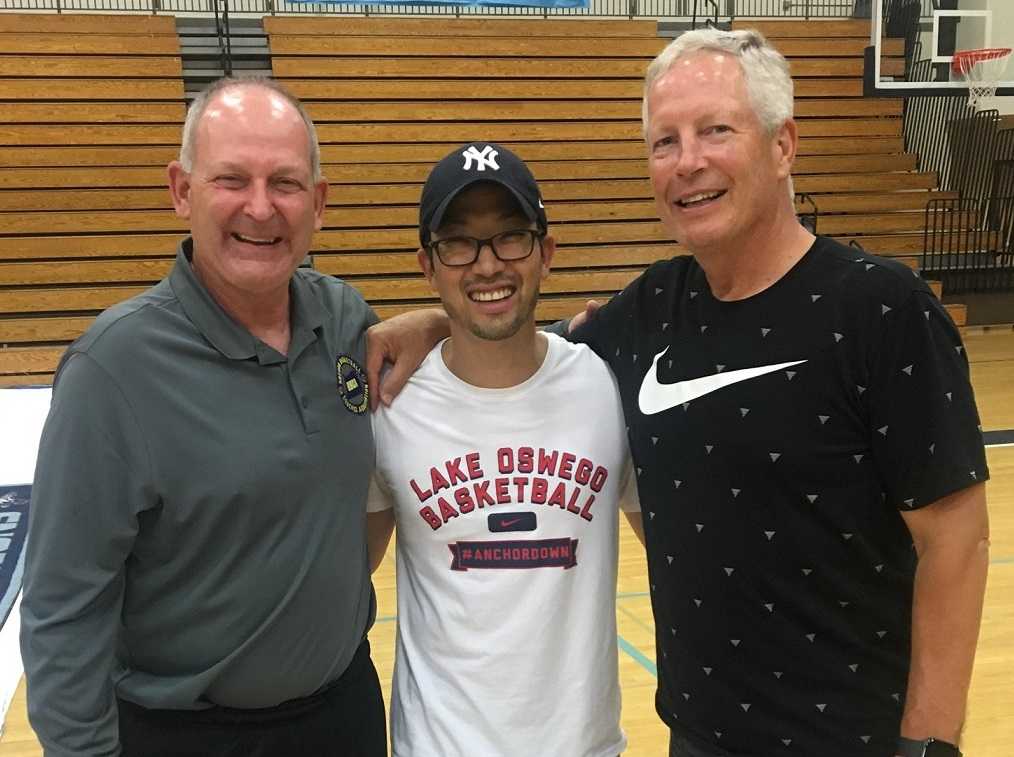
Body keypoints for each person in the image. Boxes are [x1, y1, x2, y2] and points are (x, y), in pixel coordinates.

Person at [368, 30, 990, 757]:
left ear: (783, 145)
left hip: (852, 735)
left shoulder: (883, 310)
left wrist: (931, 744)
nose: (687, 160)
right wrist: (436, 321)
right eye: (666, 141)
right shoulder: (646, 316)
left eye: (715, 130)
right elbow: (508, 326)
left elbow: (957, 539)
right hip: (698, 739)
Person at [20, 77, 388, 757]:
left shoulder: (345, 321)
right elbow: (63, 609)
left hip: (346, 717)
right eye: (231, 179)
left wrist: (432, 324)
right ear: (181, 190)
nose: (260, 206)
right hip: (187, 734)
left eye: (285, 182)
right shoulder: (112, 370)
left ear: (320, 202)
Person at [366, 142, 644, 757]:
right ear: (427, 264)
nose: (487, 265)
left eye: (510, 237)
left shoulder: (606, 386)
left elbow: (682, 549)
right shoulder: (389, 404)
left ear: (546, 251)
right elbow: (341, 576)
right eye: (459, 243)